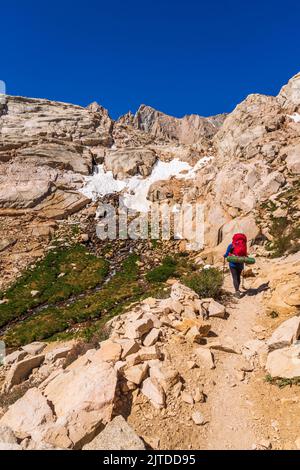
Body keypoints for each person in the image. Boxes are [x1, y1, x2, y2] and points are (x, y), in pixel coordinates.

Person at [224, 233, 247, 298]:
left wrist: (225, 256)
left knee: (234, 277)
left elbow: (226, 254)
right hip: (240, 264)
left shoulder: (231, 245)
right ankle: (238, 290)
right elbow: (245, 254)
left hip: (232, 264)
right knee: (238, 276)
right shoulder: (243, 246)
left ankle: (237, 291)